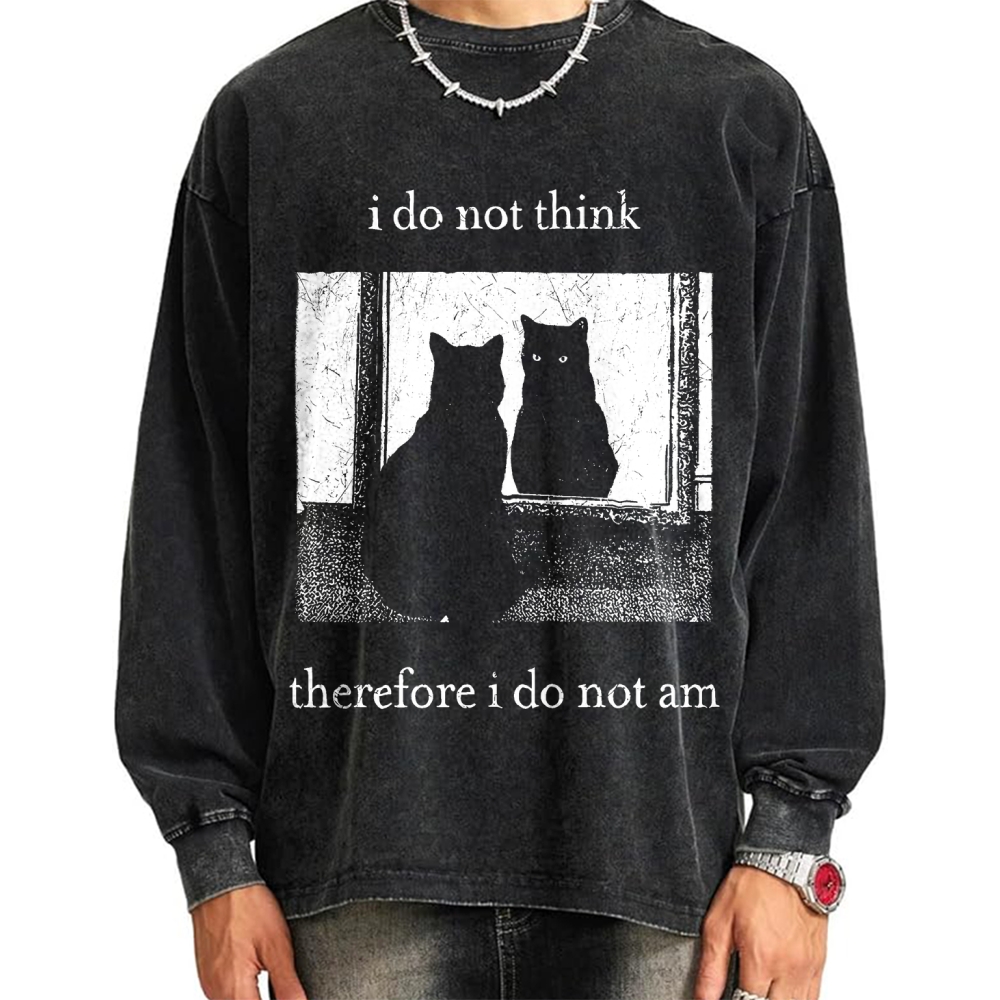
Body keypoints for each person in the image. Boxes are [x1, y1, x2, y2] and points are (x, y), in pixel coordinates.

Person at [114, 1, 885, 998]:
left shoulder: (737, 117)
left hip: (662, 886)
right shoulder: (275, 119)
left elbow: (812, 499)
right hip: (355, 885)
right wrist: (212, 850)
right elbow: (191, 500)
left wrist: (791, 843)